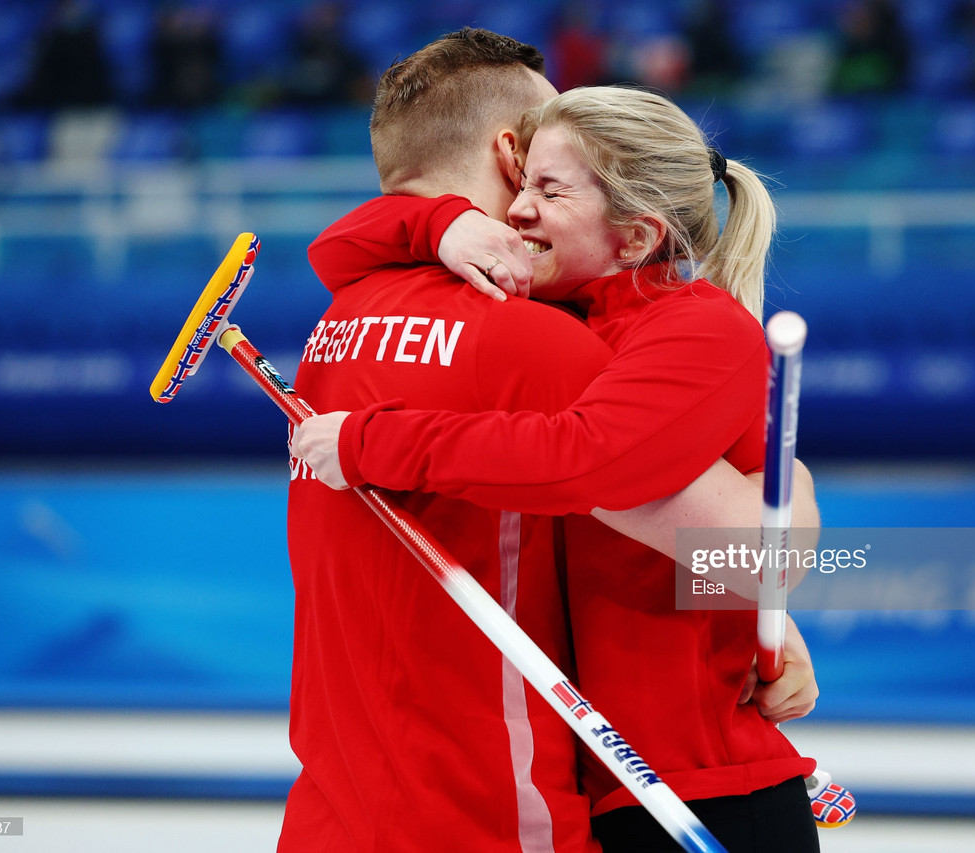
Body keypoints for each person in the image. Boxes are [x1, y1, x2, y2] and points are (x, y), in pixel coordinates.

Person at [281, 29, 819, 852]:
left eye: (552, 187)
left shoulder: (346, 319)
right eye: (526, 174)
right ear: (505, 153)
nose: (525, 205)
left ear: (634, 233)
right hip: (553, 796)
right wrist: (443, 224)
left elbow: (724, 538)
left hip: (680, 785)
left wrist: (372, 441)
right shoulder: (553, 328)